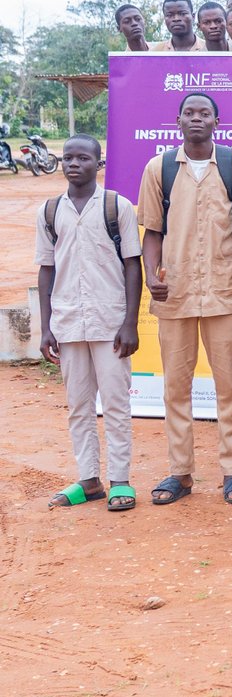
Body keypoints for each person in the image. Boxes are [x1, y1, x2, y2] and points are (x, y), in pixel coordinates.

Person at [137, 92, 232, 505]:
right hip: (176, 293)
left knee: (229, 386)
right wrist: (153, 276)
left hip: (224, 292)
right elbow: (152, 231)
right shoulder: (160, 168)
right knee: (176, 387)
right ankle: (179, 472)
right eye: (190, 112)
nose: (197, 118)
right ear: (178, 120)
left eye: (205, 113)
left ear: (217, 121)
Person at [38, 135, 142, 512]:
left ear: (98, 164)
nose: (73, 164)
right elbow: (46, 269)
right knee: (78, 406)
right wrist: (46, 327)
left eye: (83, 158)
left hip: (109, 321)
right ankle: (88, 480)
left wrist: (130, 323)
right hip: (67, 323)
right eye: (67, 158)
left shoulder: (117, 207)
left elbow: (133, 264)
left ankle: (120, 481)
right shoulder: (50, 211)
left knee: (115, 404)